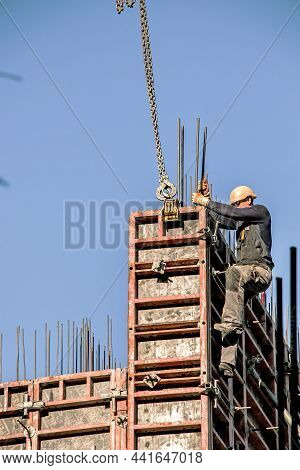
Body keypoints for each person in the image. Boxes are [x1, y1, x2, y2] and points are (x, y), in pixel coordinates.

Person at [192, 184, 274, 378]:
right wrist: (206, 202)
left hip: (259, 271)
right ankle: (227, 362)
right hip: (247, 275)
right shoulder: (241, 220)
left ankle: (230, 325)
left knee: (234, 273)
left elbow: (231, 213)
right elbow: (221, 217)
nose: (236, 208)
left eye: (237, 204)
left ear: (249, 200)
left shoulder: (261, 212)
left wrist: (206, 201)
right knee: (232, 310)